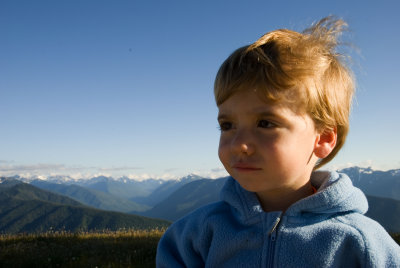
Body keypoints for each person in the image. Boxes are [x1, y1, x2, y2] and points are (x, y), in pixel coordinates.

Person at [156, 16, 400, 267]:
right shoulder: (195, 235)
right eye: (227, 125)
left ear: (324, 138)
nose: (239, 143)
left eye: (265, 123)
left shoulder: (360, 243)